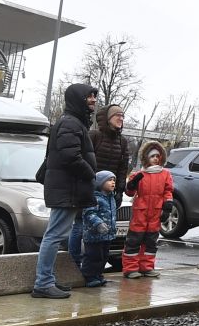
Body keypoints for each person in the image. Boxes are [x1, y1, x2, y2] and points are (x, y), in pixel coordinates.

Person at [34, 83, 99, 298]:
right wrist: (91, 173)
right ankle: (43, 282)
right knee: (54, 235)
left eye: (94, 97)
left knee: (55, 234)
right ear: (77, 99)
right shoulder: (71, 123)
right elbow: (70, 157)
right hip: (67, 189)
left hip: (68, 189)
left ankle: (47, 280)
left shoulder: (74, 122)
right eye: (89, 97)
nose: (93, 100)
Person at [74, 103, 132, 272]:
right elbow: (83, 160)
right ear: (108, 119)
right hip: (89, 189)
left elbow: (123, 168)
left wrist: (120, 190)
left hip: (109, 192)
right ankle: (74, 265)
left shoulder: (123, 142)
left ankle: (94, 269)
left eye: (122, 116)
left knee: (103, 231)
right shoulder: (94, 136)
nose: (121, 118)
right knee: (79, 226)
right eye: (117, 115)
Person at [123, 140, 174, 276]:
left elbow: (167, 191)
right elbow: (129, 193)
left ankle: (147, 267)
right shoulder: (139, 175)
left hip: (155, 212)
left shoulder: (165, 174)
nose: (156, 159)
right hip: (140, 212)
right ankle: (130, 268)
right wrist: (132, 184)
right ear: (146, 158)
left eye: (158, 156)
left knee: (151, 241)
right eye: (152, 156)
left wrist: (167, 206)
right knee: (134, 240)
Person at [78, 170, 120, 288]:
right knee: (93, 256)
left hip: (107, 235)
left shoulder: (111, 198)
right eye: (109, 180)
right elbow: (89, 213)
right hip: (93, 235)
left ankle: (98, 274)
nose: (112, 183)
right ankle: (89, 276)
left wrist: (112, 228)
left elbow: (112, 215)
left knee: (103, 256)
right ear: (100, 183)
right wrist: (98, 224)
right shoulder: (95, 198)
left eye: (114, 180)